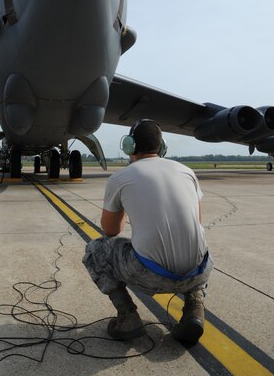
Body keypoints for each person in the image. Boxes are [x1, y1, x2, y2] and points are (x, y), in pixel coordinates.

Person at [82, 119, 213, 344]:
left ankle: (128, 316)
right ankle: (194, 308)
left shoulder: (121, 178)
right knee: (195, 243)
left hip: (152, 276)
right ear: (162, 148)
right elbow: (197, 222)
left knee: (95, 249)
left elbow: (111, 230)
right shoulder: (187, 172)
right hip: (198, 273)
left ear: (130, 146)